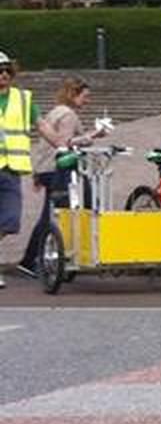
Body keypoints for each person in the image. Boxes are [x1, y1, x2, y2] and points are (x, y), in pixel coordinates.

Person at [22, 78, 98, 279]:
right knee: (54, 215)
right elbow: (64, 143)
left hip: (46, 168)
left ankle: (33, 259)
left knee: (50, 213)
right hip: (59, 169)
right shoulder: (69, 115)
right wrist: (93, 135)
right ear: (74, 95)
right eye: (85, 96)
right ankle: (34, 259)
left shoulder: (56, 111)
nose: (87, 101)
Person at [0, 50, 33, 288]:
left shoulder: (23, 99)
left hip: (11, 169)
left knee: (10, 220)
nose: (3, 75)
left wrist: (65, 144)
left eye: (7, 71)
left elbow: (42, 125)